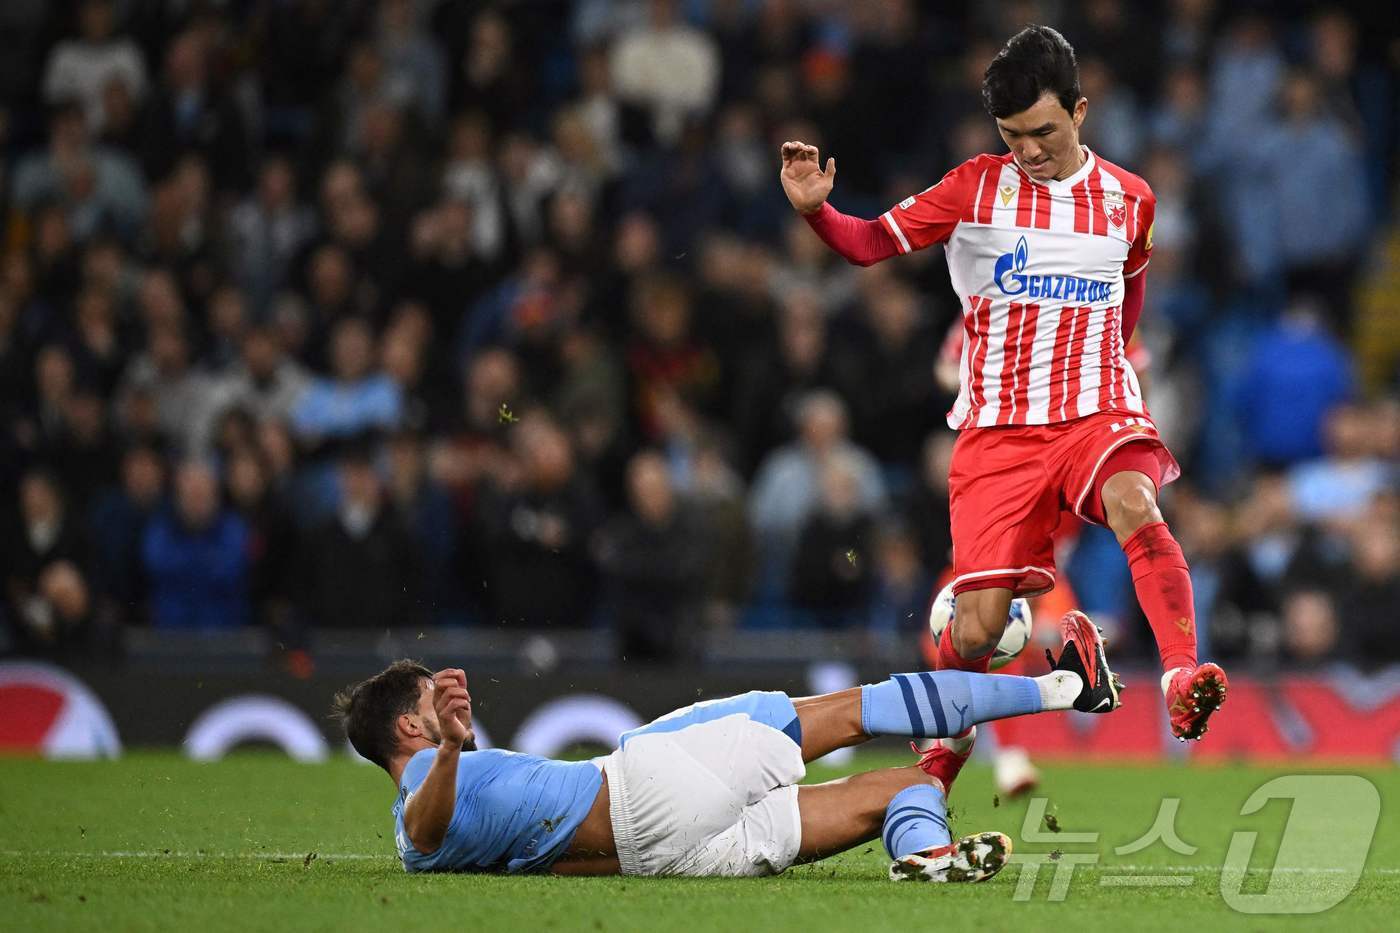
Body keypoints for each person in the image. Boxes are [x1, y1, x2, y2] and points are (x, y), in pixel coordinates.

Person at [778, 25, 1226, 741]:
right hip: (1001, 432)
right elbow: (868, 244)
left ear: (1080, 112)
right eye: (1013, 135)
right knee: (981, 628)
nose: (1030, 151)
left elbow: (1127, 297)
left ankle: (1180, 676)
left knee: (1136, 504)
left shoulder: (1131, 200)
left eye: (1044, 131)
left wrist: (1110, 366)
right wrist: (815, 210)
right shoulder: (973, 189)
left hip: (1093, 412)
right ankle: (940, 754)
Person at [334, 612, 1120, 880]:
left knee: (905, 786)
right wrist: (450, 750)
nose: (448, 706)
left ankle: (931, 852)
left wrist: (454, 753)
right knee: (853, 710)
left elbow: (433, 834)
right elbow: (427, 819)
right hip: (646, 782)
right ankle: (1065, 689)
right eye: (431, 701)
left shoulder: (422, 841)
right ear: (411, 726)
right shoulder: (424, 807)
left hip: (669, 857)